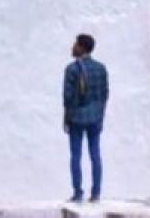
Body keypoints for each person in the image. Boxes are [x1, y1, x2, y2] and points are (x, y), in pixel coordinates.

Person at [63, 33, 109, 202]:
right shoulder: (101, 68)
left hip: (77, 117)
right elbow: (105, 93)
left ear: (81, 47)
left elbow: (67, 97)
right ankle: (96, 192)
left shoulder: (72, 69)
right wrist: (101, 114)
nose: (72, 47)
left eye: (75, 44)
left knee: (76, 155)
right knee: (95, 154)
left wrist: (66, 118)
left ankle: (78, 192)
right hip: (95, 116)